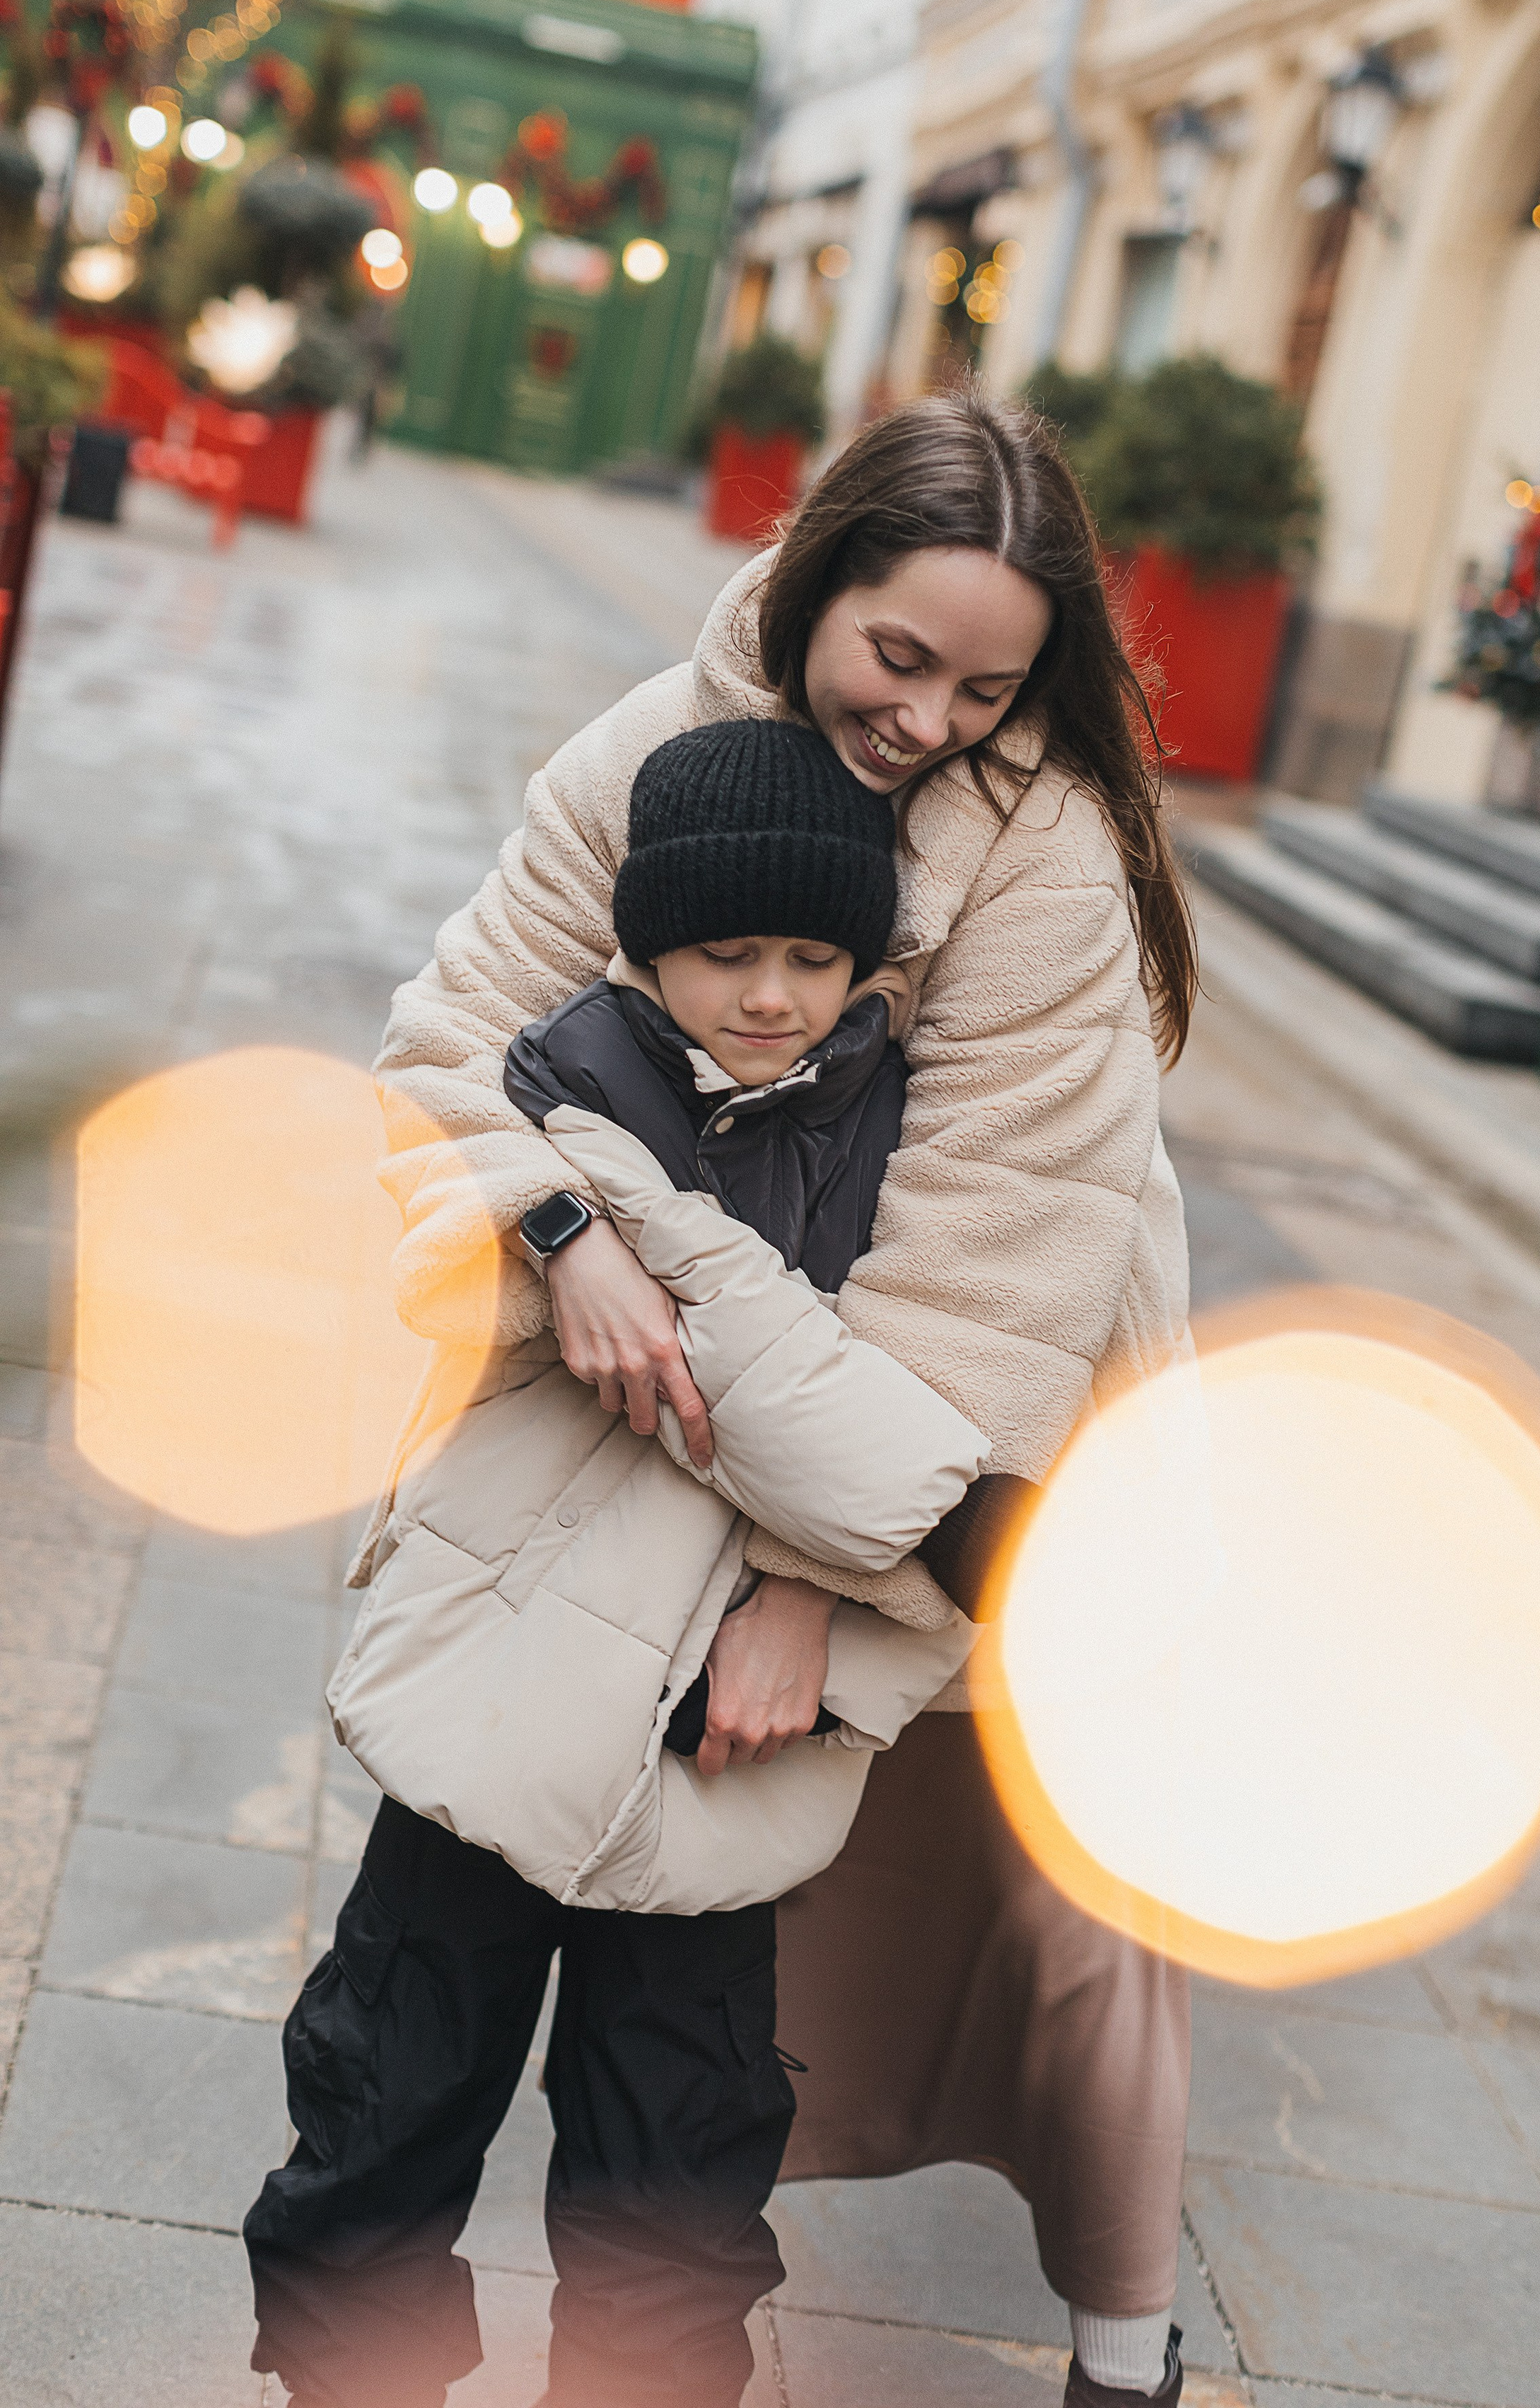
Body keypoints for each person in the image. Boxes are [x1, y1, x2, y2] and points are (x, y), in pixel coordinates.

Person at [366, 390, 1200, 2407]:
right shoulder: (651, 746)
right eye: (896, 655)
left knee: (1053, 1914)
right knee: (683, 1918)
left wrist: (837, 1587)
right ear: (818, 577)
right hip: (701, 1402)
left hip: (985, 1428)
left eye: (988, 688)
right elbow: (458, 1048)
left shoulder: (1051, 863)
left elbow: (984, 1277)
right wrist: (563, 1228)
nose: (926, 717)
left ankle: (1126, 2341)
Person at [245, 716, 989, 2408]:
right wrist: (560, 1223)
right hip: (502, 1696)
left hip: (719, 1746)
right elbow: (432, 1203)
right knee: (380, 2108)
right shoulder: (564, 1084)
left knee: (677, 2187)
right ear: (648, 943)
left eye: (814, 956)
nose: (771, 995)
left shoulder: (906, 1136)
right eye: (726, 953)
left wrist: (827, 1598)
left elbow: (951, 1449)